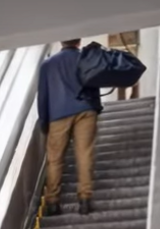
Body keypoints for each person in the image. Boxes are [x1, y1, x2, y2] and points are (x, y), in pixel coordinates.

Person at [38, 40, 102, 216]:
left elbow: (43, 96)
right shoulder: (84, 59)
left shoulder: (47, 65)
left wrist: (44, 120)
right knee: (84, 153)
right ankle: (85, 200)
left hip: (58, 114)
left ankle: (52, 202)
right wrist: (96, 106)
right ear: (79, 41)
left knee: (55, 158)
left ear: (61, 41)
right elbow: (94, 85)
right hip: (85, 110)